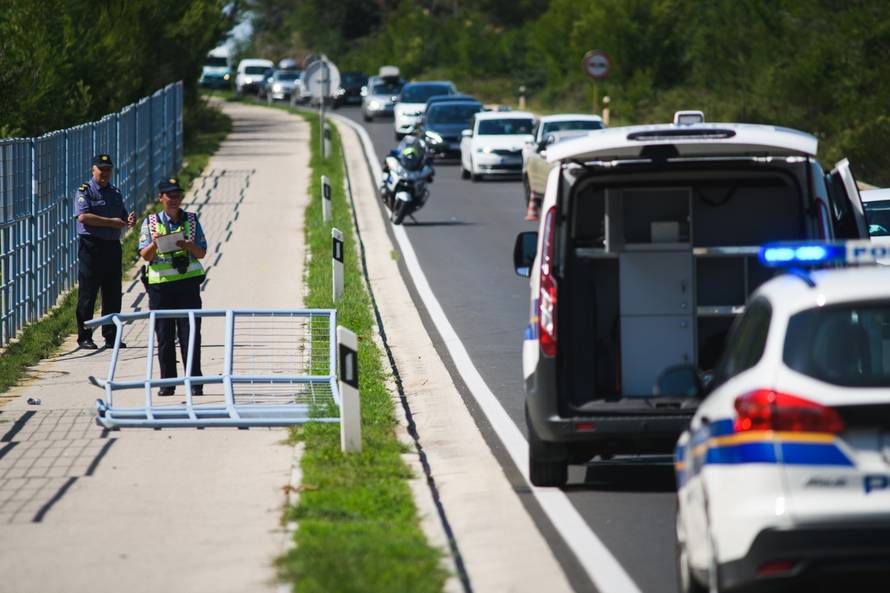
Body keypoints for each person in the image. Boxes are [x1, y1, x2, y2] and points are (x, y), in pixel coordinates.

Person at [138, 178, 208, 396]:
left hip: (187, 285)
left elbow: (202, 253)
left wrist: (189, 246)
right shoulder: (150, 223)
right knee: (165, 335)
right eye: (170, 196)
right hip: (161, 288)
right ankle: (168, 383)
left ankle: (195, 382)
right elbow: (144, 256)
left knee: (191, 334)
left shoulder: (192, 220)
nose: (174, 200)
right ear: (161, 198)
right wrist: (155, 244)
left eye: (177, 195)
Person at [74, 154, 136, 349]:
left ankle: (111, 336)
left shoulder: (115, 192)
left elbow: (122, 216)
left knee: (112, 293)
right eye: (102, 169)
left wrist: (129, 220)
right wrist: (111, 223)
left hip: (112, 247)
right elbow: (83, 217)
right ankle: (85, 336)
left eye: (108, 169)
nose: (105, 173)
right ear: (93, 170)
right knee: (88, 293)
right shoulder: (86, 191)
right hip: (91, 247)